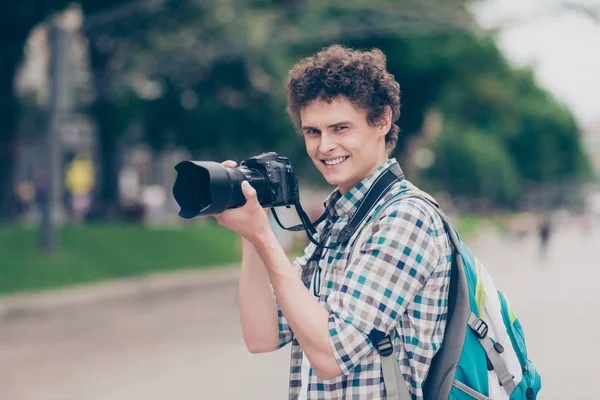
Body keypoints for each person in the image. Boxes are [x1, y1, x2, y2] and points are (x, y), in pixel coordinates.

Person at [214, 45, 453, 399]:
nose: (325, 146)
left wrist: (265, 238)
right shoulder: (339, 222)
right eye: (313, 132)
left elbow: (330, 355)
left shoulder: (404, 218)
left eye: (340, 128)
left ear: (382, 121)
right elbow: (261, 335)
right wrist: (252, 229)